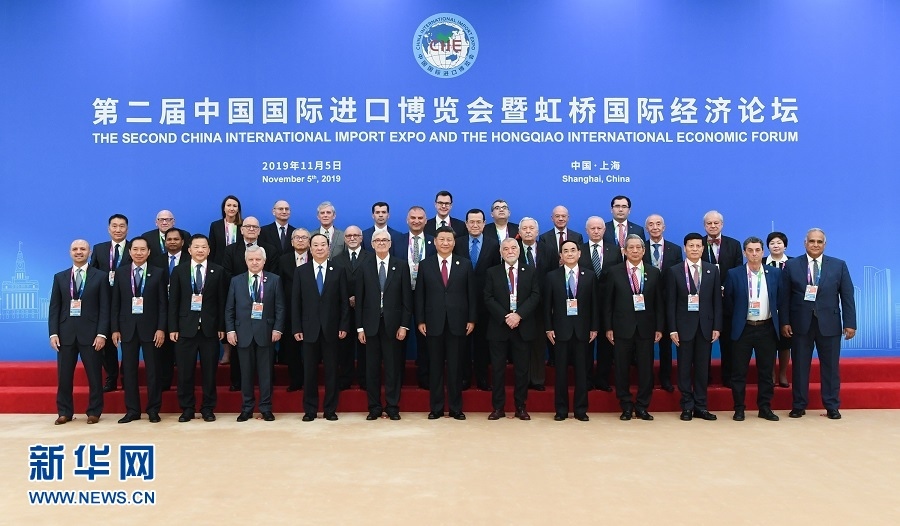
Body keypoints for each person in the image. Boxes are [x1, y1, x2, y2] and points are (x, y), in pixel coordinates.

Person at [781, 228, 856, 420]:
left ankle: (832, 406)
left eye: (819, 241)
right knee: (799, 366)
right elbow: (784, 296)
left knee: (831, 367)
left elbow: (847, 296)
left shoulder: (839, 265)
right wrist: (785, 321)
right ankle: (799, 405)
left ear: (825, 244)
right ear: (805, 243)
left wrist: (850, 323)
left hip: (829, 324)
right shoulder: (791, 265)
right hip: (800, 324)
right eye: (812, 241)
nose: (815, 244)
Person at [415, 226, 477, 420]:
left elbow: (471, 294)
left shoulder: (464, 264)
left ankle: (456, 408)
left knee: (455, 368)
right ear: (435, 242)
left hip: (458, 323)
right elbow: (420, 295)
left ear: (454, 242)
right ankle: (436, 408)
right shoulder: (425, 265)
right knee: (435, 367)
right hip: (433, 323)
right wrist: (420, 320)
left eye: (449, 239)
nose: (445, 243)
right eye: (441, 239)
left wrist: (472, 319)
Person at [49, 239, 109, 425]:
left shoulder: (100, 276)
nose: (79, 252)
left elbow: (105, 308)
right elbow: (54, 307)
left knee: (94, 376)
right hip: (65, 335)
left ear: (89, 253)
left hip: (91, 335)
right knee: (64, 377)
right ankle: (64, 412)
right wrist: (53, 333)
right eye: (75, 249)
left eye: (83, 249)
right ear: (70, 252)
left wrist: (101, 334)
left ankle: (94, 411)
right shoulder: (60, 277)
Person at [604, 235, 664, 421]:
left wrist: (659, 327)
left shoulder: (654, 272)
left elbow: (659, 303)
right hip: (622, 328)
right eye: (631, 247)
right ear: (624, 251)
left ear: (644, 251)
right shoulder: (614, 272)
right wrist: (608, 327)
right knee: (621, 369)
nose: (635, 251)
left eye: (639, 247)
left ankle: (642, 406)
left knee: (646, 369)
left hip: (646, 328)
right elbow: (608, 303)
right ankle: (626, 405)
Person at [723, 236, 783, 422]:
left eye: (757, 250)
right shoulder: (734, 274)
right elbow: (728, 303)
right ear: (744, 252)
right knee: (738, 372)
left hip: (766, 328)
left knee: (766, 372)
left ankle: (765, 408)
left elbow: (780, 299)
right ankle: (739, 408)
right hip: (743, 329)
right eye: (750, 250)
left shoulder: (775, 273)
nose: (754, 254)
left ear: (763, 252)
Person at [168, 234, 226, 423]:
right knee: (185, 372)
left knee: (210, 373)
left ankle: (208, 408)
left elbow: (221, 302)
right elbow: (173, 301)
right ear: (189, 250)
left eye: (204, 247)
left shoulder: (218, 271)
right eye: (196, 247)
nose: (200, 250)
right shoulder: (179, 271)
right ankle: (187, 408)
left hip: (210, 330)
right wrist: (173, 327)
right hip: (185, 329)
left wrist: (221, 326)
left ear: (209, 250)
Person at [292, 233, 350, 421]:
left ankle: (330, 409)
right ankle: (310, 410)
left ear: (328, 247)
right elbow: (296, 303)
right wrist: (296, 327)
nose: (319, 248)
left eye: (322, 245)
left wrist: (344, 325)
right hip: (308, 330)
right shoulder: (301, 271)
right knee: (309, 372)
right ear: (310, 248)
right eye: (315, 245)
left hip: (332, 330)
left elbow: (344, 302)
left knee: (332, 371)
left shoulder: (338, 270)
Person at [356, 231, 413, 420]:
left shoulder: (401, 265)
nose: (381, 243)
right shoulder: (364, 266)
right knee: (371, 369)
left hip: (393, 326)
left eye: (385, 240)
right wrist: (360, 328)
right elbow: (360, 300)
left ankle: (392, 406)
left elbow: (407, 299)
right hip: (370, 326)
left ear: (390, 243)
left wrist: (404, 325)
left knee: (392, 368)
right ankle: (374, 407)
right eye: (377, 240)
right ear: (372, 244)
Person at [225, 245, 285, 422]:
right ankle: (247, 408)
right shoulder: (236, 281)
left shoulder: (274, 280)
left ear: (264, 261)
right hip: (242, 333)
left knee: (266, 374)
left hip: (266, 333)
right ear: (245, 261)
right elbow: (229, 308)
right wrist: (230, 330)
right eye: (251, 259)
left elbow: (280, 307)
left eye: (258, 259)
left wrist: (277, 328)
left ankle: (266, 408)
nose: (254, 262)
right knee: (246, 374)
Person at [110, 237, 167, 424]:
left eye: (143, 249)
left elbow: (163, 304)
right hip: (127, 329)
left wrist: (161, 328)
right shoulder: (121, 273)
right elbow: (115, 303)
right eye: (135, 249)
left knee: (153, 371)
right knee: (129, 371)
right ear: (129, 251)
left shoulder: (158, 272)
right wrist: (115, 328)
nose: (139, 253)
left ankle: (153, 409)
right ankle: (132, 410)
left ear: (149, 252)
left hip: (152, 330)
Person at [666, 233, 721, 421]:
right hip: (683, 328)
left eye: (698, 246)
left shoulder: (712, 270)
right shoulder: (675, 271)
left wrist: (717, 326)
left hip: (706, 327)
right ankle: (687, 407)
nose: (695, 249)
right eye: (691, 246)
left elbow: (716, 301)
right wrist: (672, 329)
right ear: (685, 248)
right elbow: (670, 303)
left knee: (702, 369)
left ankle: (701, 406)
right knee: (683, 368)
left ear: (703, 248)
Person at [484, 238, 541, 420]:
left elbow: (535, 295)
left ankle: (520, 407)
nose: (510, 251)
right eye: (506, 248)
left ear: (519, 250)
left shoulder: (530, 270)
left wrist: (519, 315)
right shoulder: (492, 272)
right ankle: (498, 408)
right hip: (499, 328)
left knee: (522, 370)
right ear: (501, 252)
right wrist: (505, 316)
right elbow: (488, 297)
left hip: (522, 327)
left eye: (513, 248)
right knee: (498, 370)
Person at [544, 239, 599, 421]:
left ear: (579, 253)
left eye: (573, 250)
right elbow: (547, 306)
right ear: (561, 255)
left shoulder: (589, 275)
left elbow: (594, 304)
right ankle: (561, 410)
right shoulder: (552, 276)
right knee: (560, 373)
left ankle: (580, 410)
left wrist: (594, 327)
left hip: (583, 331)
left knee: (582, 373)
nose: (569, 253)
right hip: (560, 331)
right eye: (566, 251)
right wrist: (548, 328)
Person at [221, 216, 278, 382]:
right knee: (240, 351)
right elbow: (226, 274)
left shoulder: (270, 250)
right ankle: (238, 383)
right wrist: (244, 287)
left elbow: (273, 274)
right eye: (248, 226)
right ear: (241, 230)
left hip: (264, 305)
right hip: (241, 303)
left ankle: (265, 389)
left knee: (265, 358)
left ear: (260, 231)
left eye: (255, 227)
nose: (251, 229)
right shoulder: (231, 250)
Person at [454, 208, 500, 391]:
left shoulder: (493, 244)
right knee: (462, 344)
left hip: (484, 303)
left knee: (482, 343)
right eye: (471, 222)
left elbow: (496, 274)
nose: (475, 225)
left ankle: (482, 378)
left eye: (478, 222)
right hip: (460, 302)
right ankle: (464, 378)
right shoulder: (457, 243)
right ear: (466, 224)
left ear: (484, 223)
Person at [579, 216, 623, 392]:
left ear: (605, 230)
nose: (596, 231)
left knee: (606, 343)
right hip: (584, 304)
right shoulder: (579, 250)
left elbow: (620, 276)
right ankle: (587, 379)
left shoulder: (615, 250)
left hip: (608, 304)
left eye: (599, 228)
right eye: (592, 228)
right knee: (585, 343)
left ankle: (603, 379)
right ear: (586, 230)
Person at [395, 206, 436, 390]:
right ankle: (398, 379)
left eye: (420, 218)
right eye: (413, 217)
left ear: (426, 221)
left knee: (426, 339)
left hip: (427, 297)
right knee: (398, 339)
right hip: (400, 296)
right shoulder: (397, 241)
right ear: (407, 220)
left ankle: (426, 379)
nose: (416, 221)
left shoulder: (434, 242)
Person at [89, 213, 131, 393]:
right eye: (114, 226)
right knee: (107, 345)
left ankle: (127, 379)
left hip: (129, 302)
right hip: (105, 303)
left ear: (127, 229)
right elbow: (92, 275)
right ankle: (111, 378)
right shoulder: (99, 249)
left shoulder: (135, 248)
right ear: (108, 229)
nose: (118, 229)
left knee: (129, 343)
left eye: (122, 226)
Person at [701, 210, 743, 387]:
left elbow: (737, 270)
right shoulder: (697, 244)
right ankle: (704, 377)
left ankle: (728, 377)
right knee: (703, 343)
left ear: (722, 224)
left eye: (716, 223)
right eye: (709, 223)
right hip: (703, 302)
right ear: (704, 226)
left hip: (728, 301)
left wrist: (725, 287)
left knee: (728, 343)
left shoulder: (734, 244)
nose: (712, 226)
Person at [643, 214, 683, 392]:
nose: (655, 227)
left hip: (668, 302)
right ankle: (647, 379)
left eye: (658, 224)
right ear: (646, 228)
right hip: (645, 302)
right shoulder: (639, 247)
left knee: (666, 343)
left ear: (664, 227)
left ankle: (665, 378)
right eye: (651, 224)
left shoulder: (675, 249)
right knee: (645, 344)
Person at [517, 217, 554, 391]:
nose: (528, 231)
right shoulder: (513, 249)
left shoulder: (548, 250)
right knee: (521, 344)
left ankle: (537, 379)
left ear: (537, 232)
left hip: (542, 304)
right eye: (524, 228)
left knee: (539, 344)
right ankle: (522, 380)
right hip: (519, 305)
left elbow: (554, 277)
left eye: (531, 228)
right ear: (519, 232)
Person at [334, 226, 371, 390]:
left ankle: (364, 379)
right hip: (345, 310)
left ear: (362, 238)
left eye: (356, 235)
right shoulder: (336, 259)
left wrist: (359, 297)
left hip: (366, 309)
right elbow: (334, 284)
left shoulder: (371, 257)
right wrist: (347, 298)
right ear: (344, 239)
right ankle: (345, 378)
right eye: (349, 235)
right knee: (345, 347)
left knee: (365, 346)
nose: (352, 238)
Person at [277, 228, 310, 392]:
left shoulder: (316, 258)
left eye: (304, 237)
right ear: (291, 242)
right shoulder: (283, 260)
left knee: (311, 349)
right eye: (297, 237)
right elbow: (279, 286)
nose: (300, 240)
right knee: (292, 349)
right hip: (290, 312)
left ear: (309, 242)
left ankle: (310, 381)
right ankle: (296, 381)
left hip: (312, 312)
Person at [158, 227, 187, 391]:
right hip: (162, 309)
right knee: (164, 350)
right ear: (164, 242)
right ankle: (164, 382)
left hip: (184, 311)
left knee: (183, 351)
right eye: (169, 239)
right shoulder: (156, 260)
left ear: (182, 242)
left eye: (176, 239)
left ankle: (183, 385)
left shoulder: (190, 260)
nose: (172, 242)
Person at [766, 231, 791, 388]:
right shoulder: (760, 262)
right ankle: (771, 375)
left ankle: (782, 374)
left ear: (785, 246)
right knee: (768, 345)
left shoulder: (794, 263)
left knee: (785, 343)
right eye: (772, 243)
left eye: (779, 243)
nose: (776, 246)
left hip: (787, 310)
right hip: (766, 310)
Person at [208, 195, 243, 265]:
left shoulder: (244, 225)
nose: (231, 208)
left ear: (238, 209)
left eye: (235, 206)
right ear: (224, 208)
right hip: (219, 263)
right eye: (229, 205)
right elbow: (212, 248)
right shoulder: (215, 225)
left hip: (239, 263)